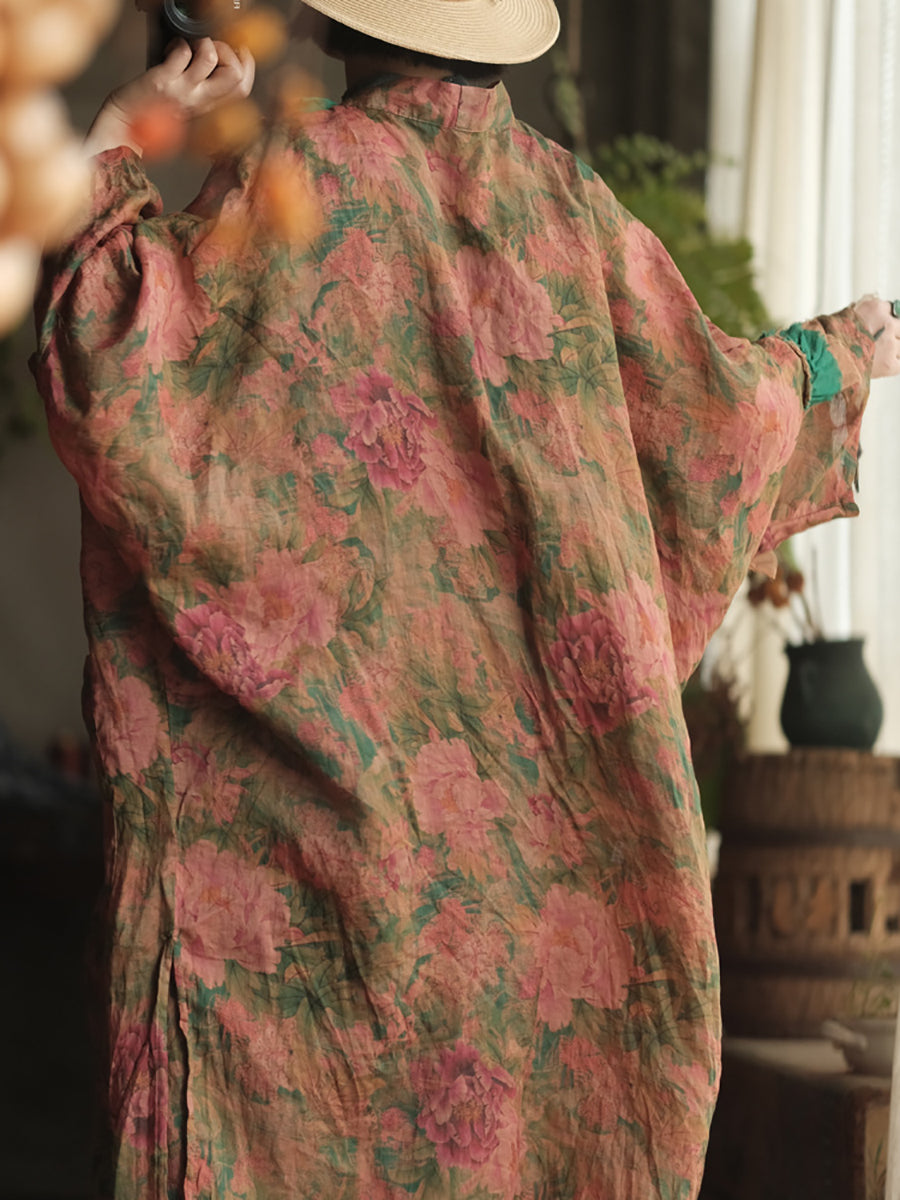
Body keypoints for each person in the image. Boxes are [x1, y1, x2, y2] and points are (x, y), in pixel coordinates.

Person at [31, 1, 900, 1197]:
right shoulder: (571, 212)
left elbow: (109, 363)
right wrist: (832, 355)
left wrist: (136, 121)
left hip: (308, 915)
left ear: (341, 25)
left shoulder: (293, 188)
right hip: (542, 918)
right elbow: (717, 416)